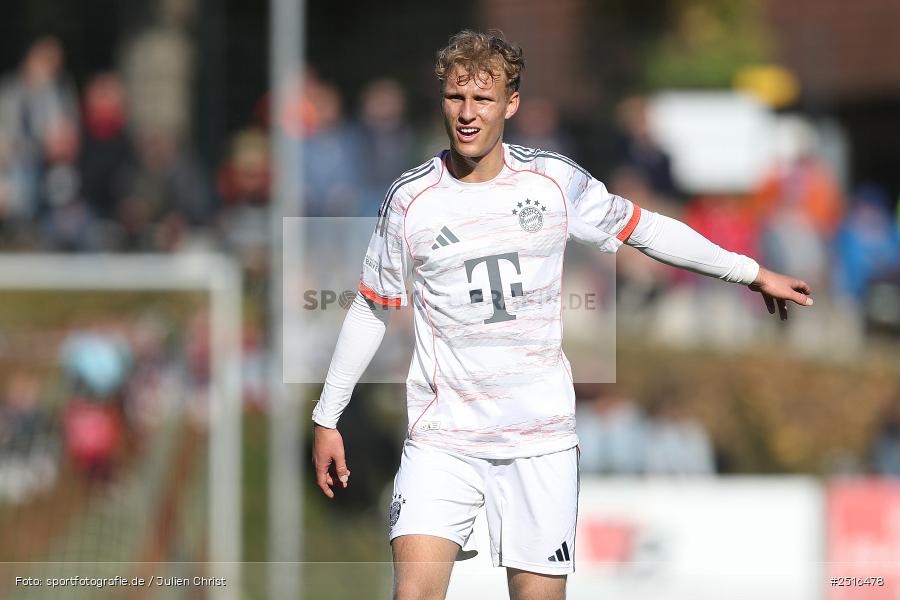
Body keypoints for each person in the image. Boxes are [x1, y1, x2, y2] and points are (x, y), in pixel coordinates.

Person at [311, 29, 813, 600]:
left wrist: (748, 271)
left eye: (483, 99)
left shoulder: (553, 181)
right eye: (456, 98)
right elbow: (371, 307)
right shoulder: (409, 198)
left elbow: (645, 230)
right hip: (442, 438)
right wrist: (329, 415)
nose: (468, 114)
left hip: (540, 440)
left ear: (511, 103)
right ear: (441, 99)